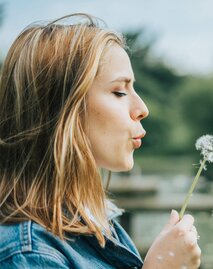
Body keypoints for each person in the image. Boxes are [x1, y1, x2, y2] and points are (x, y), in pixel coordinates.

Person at [0, 13, 201, 269]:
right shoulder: (29, 254)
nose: (142, 108)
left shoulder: (97, 225)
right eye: (119, 92)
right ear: (62, 109)